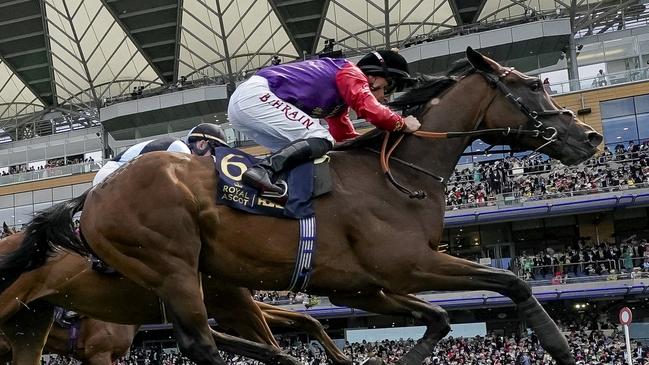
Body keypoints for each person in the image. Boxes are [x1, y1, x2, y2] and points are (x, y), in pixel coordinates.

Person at [227, 49, 421, 195]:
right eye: (388, 88)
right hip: (256, 96)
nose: (386, 98)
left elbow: (345, 138)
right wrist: (401, 123)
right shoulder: (352, 73)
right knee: (319, 136)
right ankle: (263, 170)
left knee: (310, 149)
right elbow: (370, 110)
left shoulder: (338, 104)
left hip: (244, 106)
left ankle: (283, 190)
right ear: (372, 76)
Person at [92, 123, 228, 186]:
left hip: (115, 176)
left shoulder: (178, 147)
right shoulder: (181, 150)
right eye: (215, 151)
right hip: (110, 176)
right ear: (202, 144)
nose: (215, 158)